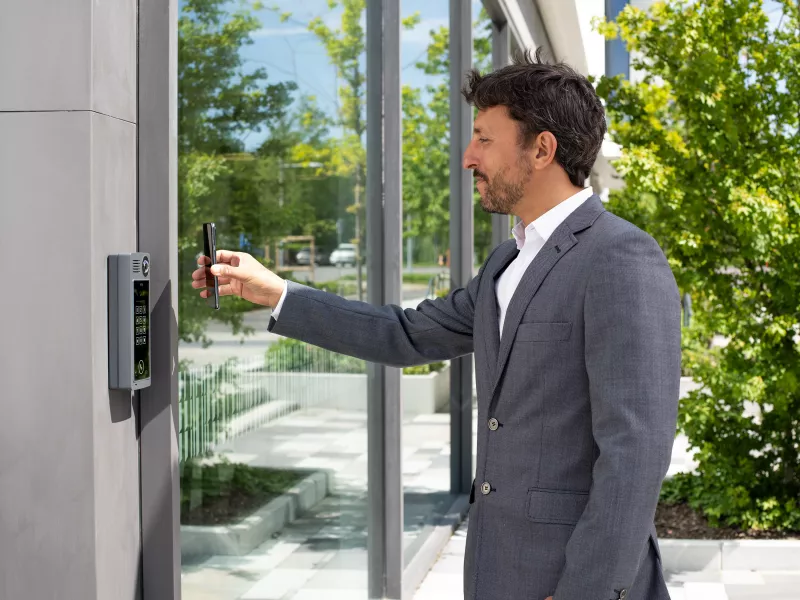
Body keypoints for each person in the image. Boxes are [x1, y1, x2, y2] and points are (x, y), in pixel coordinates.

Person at [191, 49, 680, 600]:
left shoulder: (621, 257)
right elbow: (404, 333)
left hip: (571, 579)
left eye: (485, 139)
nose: (468, 157)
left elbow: (635, 452)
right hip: (498, 570)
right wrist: (277, 292)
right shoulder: (506, 262)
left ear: (542, 149)